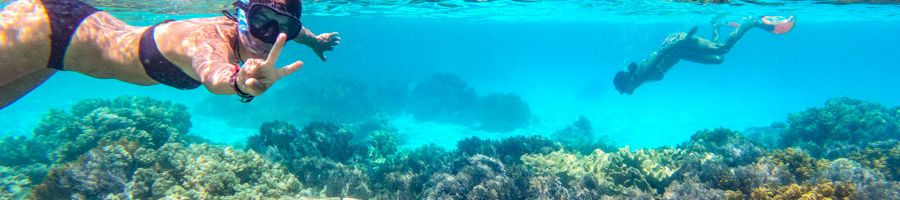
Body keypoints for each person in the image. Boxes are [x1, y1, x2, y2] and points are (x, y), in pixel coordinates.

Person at [0, 0, 340, 108]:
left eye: (283, 28)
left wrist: (315, 42)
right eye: (260, 20)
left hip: (56, 55)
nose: (269, 36)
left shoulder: (279, 34)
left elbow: (298, 32)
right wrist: (240, 83)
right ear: (240, 14)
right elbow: (212, 72)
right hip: (43, 31)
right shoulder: (208, 39)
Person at [613, 15, 795, 95]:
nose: (626, 94)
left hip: (679, 43)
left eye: (623, 90)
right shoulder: (640, 79)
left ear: (627, 81)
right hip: (681, 52)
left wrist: (685, 39)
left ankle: (750, 22)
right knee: (719, 59)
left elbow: (662, 52)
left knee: (722, 49)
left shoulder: (642, 72)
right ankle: (716, 25)